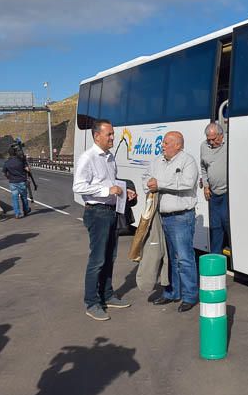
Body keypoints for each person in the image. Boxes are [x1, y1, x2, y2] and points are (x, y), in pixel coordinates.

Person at [73, 120, 136, 321]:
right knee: (97, 259)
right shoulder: (88, 158)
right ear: (96, 136)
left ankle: (107, 295)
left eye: (112, 134)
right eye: (109, 134)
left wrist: (126, 191)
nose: (112, 138)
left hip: (111, 211)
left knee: (111, 257)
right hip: (97, 213)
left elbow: (113, 182)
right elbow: (78, 187)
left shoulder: (110, 157)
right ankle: (92, 302)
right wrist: (106, 190)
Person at [143, 131, 199, 312]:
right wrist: (150, 183)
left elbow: (187, 183)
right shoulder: (157, 161)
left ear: (178, 145)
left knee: (184, 258)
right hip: (163, 217)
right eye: (164, 143)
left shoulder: (187, 161)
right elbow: (146, 178)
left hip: (182, 217)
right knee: (168, 259)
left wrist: (159, 182)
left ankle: (190, 295)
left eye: (166, 143)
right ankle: (171, 292)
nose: (163, 146)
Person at [200, 122, 230, 255]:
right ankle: (215, 256)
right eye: (209, 139)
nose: (211, 142)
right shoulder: (204, 146)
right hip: (213, 193)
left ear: (221, 135)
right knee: (215, 226)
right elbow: (203, 167)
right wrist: (206, 186)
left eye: (214, 139)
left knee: (227, 223)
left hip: (228, 193)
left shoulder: (230, 142)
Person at [2, 146, 32, 219]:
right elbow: (28, 170)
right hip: (21, 181)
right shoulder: (21, 161)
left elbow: (4, 173)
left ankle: (17, 213)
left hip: (12, 182)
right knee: (24, 197)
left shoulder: (7, 162)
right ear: (15, 152)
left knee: (15, 198)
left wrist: (8, 177)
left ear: (9, 154)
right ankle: (25, 210)